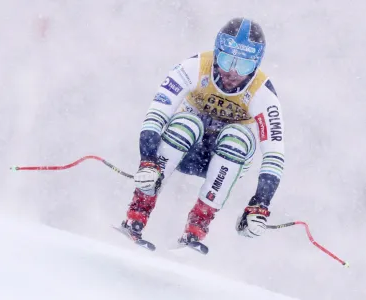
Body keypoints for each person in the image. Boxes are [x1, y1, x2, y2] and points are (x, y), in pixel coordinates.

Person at [122, 17, 285, 247]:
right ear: (216, 52)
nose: (233, 73)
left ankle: (196, 230)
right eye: (226, 60)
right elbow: (156, 114)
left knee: (237, 138)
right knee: (188, 123)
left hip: (228, 160)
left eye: (244, 66)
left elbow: (274, 155)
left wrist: (260, 204)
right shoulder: (195, 67)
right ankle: (136, 215)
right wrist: (147, 160)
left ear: (256, 65)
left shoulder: (263, 93)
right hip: (184, 147)